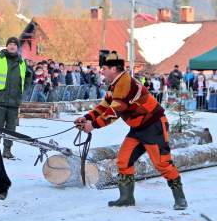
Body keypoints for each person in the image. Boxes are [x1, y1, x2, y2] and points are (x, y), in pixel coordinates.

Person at [75, 50, 187, 210]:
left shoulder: (124, 83)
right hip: (138, 127)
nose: (102, 71)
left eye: (104, 68)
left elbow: (114, 112)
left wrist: (93, 125)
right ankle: (126, 197)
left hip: (153, 125)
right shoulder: (116, 84)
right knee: (124, 159)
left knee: (162, 163)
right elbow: (105, 105)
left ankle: (180, 197)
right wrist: (87, 117)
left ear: (113, 69)